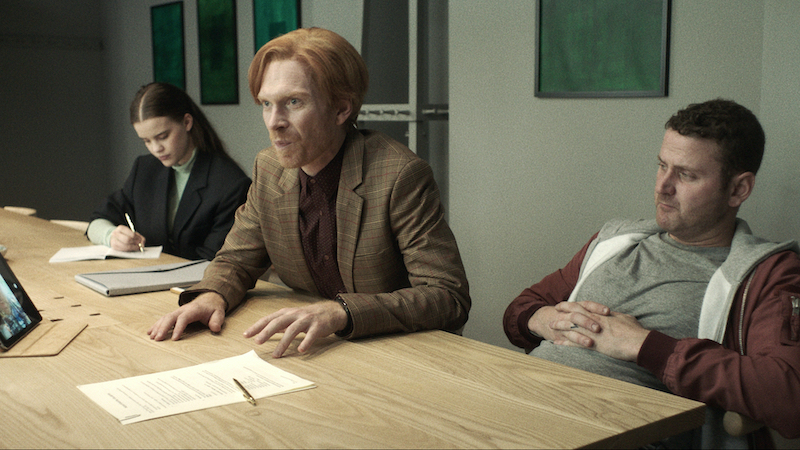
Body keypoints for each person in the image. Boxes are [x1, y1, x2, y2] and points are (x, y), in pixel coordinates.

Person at [148, 28, 470, 358]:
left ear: (341, 108)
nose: (274, 122)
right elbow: (236, 260)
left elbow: (447, 296)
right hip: (316, 351)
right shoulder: (269, 168)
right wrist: (211, 296)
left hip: (398, 352)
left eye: (294, 102)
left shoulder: (398, 174)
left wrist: (342, 312)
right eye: (266, 104)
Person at [503, 99, 800, 448]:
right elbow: (519, 310)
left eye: (686, 175)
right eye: (662, 166)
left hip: (611, 432)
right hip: (519, 401)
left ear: (738, 189)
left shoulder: (769, 273)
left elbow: (788, 395)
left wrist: (643, 345)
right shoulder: (614, 241)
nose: (663, 186)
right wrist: (542, 319)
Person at [87, 82, 251, 261]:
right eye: (146, 141)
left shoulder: (231, 184)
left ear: (187, 122)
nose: (156, 149)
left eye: (162, 137)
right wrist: (111, 236)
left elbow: (215, 261)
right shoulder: (145, 168)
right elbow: (99, 219)